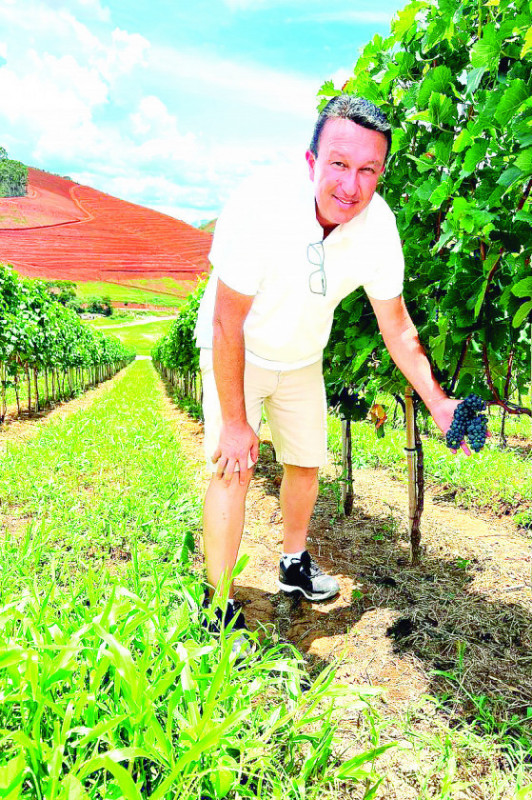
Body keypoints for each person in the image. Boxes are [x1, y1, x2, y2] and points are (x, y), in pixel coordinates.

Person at [194, 95, 467, 638]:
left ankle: (293, 563)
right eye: (339, 164)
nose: (351, 185)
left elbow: (397, 326)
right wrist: (235, 423)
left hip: (301, 357)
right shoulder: (260, 206)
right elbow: (227, 323)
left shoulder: (379, 228)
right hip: (238, 350)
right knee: (233, 467)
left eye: (368, 170)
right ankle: (218, 601)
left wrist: (439, 403)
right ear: (311, 161)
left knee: (306, 462)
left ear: (381, 173)